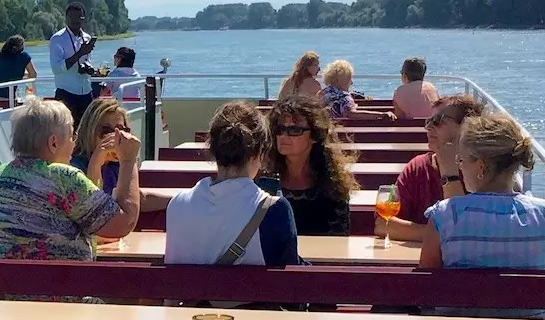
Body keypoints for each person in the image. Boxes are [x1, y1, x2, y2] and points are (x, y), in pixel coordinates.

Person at [421, 114, 545, 320]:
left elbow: (427, 285)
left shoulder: (444, 215)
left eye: (460, 160)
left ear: (480, 167)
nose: (459, 166)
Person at [0, 97, 140, 268]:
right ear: (54, 143)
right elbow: (123, 223)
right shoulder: (63, 177)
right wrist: (129, 159)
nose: (74, 143)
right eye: (71, 136)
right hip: (49, 291)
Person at [165, 101, 301, 267]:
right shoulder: (274, 210)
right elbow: (291, 278)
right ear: (258, 154)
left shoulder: (177, 205)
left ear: (214, 151)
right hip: (248, 293)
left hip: (183, 293)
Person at [376, 95, 485, 242]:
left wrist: (449, 170)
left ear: (466, 127)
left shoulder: (482, 171)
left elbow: (466, 232)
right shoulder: (417, 168)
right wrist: (438, 235)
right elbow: (383, 224)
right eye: (429, 121)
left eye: (438, 121)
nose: (428, 127)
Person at [264, 98, 357, 236]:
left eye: (294, 130)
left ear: (314, 136)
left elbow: (339, 238)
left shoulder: (332, 184)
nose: (283, 136)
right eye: (279, 129)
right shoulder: (264, 180)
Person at [48, 1, 99, 128]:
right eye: (73, 18)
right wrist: (80, 53)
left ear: (83, 19)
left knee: (86, 133)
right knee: (66, 134)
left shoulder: (86, 38)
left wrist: (90, 70)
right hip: (66, 94)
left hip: (86, 93)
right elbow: (56, 69)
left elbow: (85, 61)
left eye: (80, 18)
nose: (76, 21)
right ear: (66, 18)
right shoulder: (57, 39)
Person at [69, 97, 131, 190]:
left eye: (121, 131)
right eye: (106, 130)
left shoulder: (119, 166)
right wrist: (96, 163)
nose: (113, 137)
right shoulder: (75, 168)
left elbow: (130, 201)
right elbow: (91, 202)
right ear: (89, 132)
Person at [320, 60, 395, 121]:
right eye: (349, 79)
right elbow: (352, 114)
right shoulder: (344, 98)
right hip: (343, 134)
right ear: (344, 80)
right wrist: (382, 115)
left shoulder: (322, 93)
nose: (351, 83)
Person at [0, 36, 37, 104]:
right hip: (5, 96)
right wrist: (26, 76)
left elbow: (7, 70)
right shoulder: (24, 56)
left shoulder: (2, 55)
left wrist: (22, 73)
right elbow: (33, 74)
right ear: (20, 46)